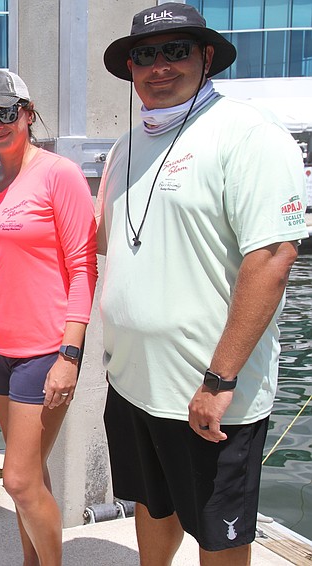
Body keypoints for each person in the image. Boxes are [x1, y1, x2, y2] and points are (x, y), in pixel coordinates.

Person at [97, 4, 307, 565]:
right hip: (133, 383)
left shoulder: (249, 133)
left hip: (209, 393)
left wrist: (219, 378)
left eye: (176, 50)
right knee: (152, 504)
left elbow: (272, 257)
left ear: (206, 56)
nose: (159, 66)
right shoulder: (126, 146)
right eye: (146, 55)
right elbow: (105, 245)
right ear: (131, 68)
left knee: (219, 535)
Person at [0, 71, 97, 566]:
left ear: (27, 113)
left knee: (16, 477)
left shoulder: (60, 174)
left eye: (6, 112)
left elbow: (83, 266)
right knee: (30, 475)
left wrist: (70, 354)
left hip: (44, 349)